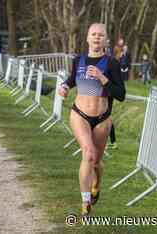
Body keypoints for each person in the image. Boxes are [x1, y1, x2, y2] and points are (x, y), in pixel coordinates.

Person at [58, 23, 125, 216]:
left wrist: (103, 78)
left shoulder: (111, 63)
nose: (96, 38)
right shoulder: (78, 59)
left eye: (100, 35)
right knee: (87, 154)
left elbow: (120, 94)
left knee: (96, 161)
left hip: (103, 118)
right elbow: (72, 79)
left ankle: (97, 183)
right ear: (87, 38)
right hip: (80, 114)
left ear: (106, 40)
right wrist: (64, 86)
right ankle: (85, 202)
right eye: (93, 35)